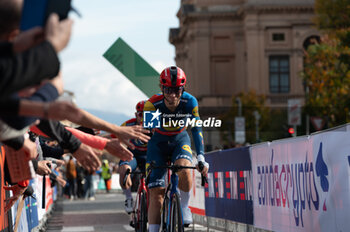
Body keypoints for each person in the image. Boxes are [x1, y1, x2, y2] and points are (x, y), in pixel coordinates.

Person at [144, 66, 209, 232]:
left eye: (176, 90)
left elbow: (196, 129)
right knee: (156, 192)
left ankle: (185, 207)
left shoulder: (190, 102)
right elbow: (148, 134)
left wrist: (201, 156)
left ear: (183, 89)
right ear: (162, 88)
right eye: (168, 90)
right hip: (157, 144)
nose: (172, 95)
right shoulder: (152, 103)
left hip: (179, 140)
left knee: (184, 168)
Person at [118, 100, 148, 213]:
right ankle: (128, 198)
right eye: (141, 115)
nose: (144, 118)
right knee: (124, 170)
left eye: (147, 115)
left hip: (150, 155)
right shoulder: (129, 124)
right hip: (133, 155)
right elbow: (116, 135)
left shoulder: (155, 123)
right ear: (136, 115)